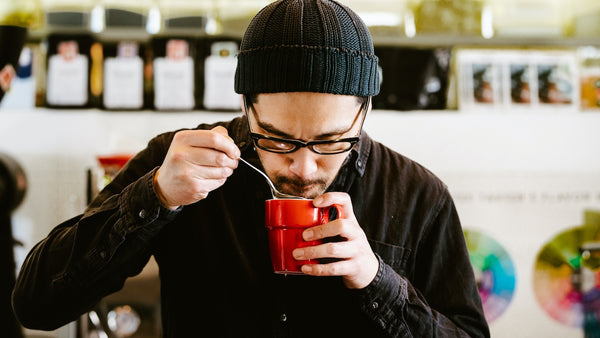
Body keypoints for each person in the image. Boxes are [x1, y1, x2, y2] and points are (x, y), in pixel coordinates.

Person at [12, 0, 489, 337]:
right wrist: (154, 196)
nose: (303, 168)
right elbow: (35, 305)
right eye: (278, 139)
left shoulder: (418, 196)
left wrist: (376, 279)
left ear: (363, 112)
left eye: (330, 142)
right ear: (246, 107)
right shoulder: (179, 161)